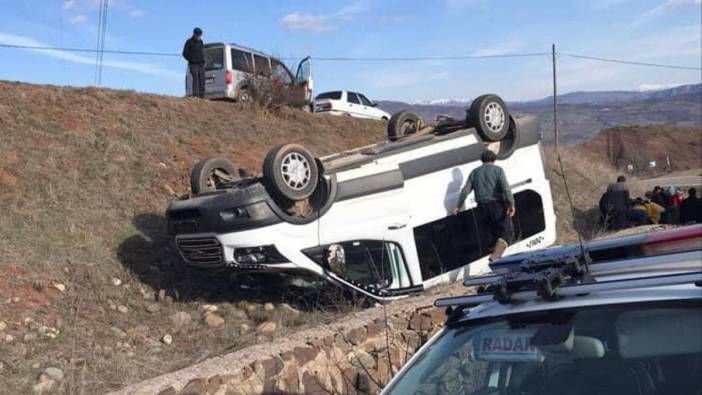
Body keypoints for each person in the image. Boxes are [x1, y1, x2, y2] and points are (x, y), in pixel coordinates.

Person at [453, 150, 515, 261]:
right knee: (508, 231)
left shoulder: (474, 173)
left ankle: (494, 257)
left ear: (482, 160)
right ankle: (496, 256)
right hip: (497, 205)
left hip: (481, 208)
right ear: (494, 159)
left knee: (490, 234)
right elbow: (506, 189)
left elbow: (465, 191)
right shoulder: (498, 171)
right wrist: (511, 204)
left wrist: (458, 205)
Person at [182, 27, 205, 98]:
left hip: (201, 63)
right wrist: (190, 59)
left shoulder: (201, 42)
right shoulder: (189, 42)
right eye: (198, 35)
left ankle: (202, 95)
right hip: (193, 64)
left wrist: (204, 60)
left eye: (200, 35)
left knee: (202, 78)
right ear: (194, 34)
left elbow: (202, 52)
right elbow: (184, 53)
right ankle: (196, 95)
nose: (199, 36)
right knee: (195, 78)